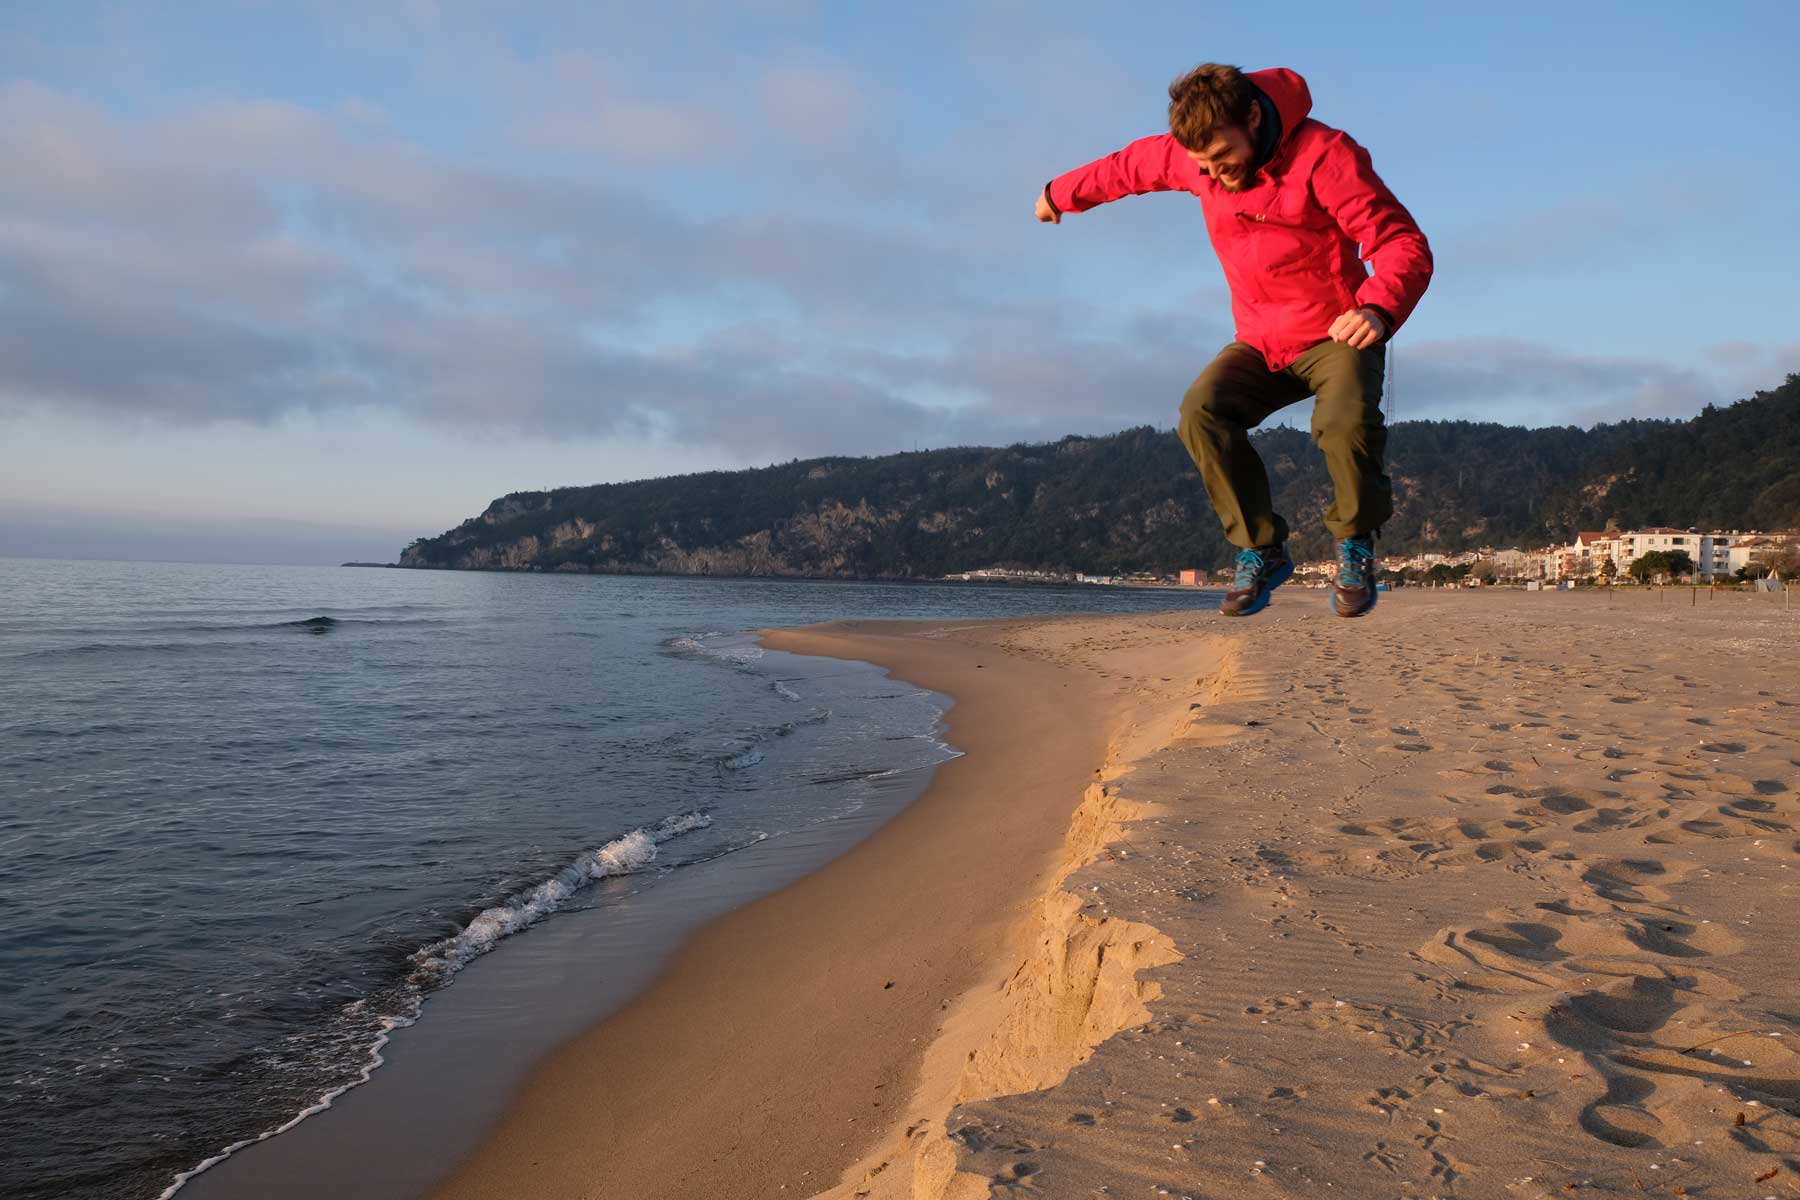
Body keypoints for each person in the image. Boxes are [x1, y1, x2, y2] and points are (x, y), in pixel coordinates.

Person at [1035, 63, 1432, 617]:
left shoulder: (1324, 155)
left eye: (1224, 159)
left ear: (1252, 117)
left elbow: (1400, 241)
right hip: (1260, 339)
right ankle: (1261, 548)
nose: (1216, 174)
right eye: (1204, 165)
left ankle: (1356, 542)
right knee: (1201, 411)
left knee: (1341, 422)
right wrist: (1059, 193)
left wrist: (1378, 307)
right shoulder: (1195, 157)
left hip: (1336, 328)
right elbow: (1126, 168)